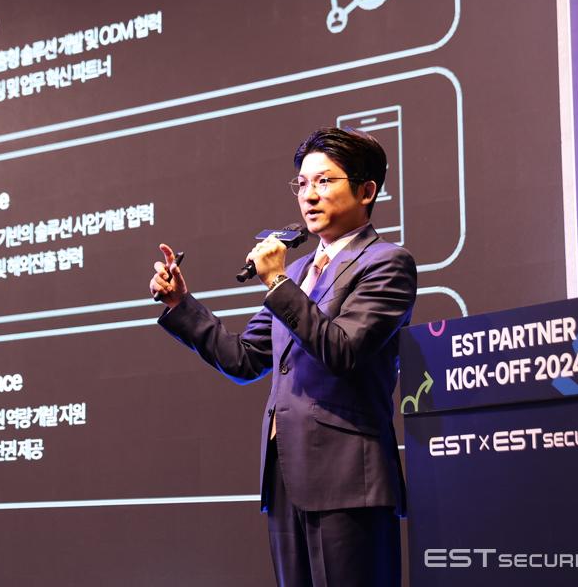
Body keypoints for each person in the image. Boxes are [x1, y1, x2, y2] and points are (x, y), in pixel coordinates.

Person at [149, 127, 417, 587]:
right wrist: (181, 305)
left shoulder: (387, 263)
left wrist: (277, 284)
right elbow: (244, 358)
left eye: (324, 181)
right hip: (286, 474)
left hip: (348, 479)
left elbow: (342, 350)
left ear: (367, 190)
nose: (308, 196)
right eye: (302, 183)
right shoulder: (298, 271)